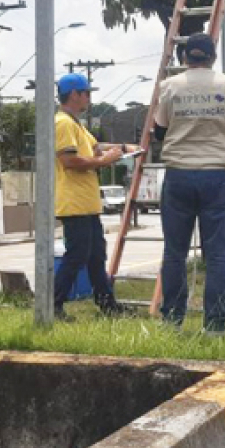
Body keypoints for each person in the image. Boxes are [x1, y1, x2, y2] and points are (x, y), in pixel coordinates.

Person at [154, 33, 225, 335]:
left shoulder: (170, 87)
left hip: (179, 174)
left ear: (184, 58)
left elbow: (160, 132)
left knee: (175, 251)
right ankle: (215, 326)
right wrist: (223, 133)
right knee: (217, 254)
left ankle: (172, 322)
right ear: (213, 58)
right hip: (218, 174)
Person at [53, 72, 139, 321]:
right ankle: (53, 304)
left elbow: (94, 147)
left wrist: (122, 149)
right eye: (86, 93)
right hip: (74, 202)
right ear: (74, 94)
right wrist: (104, 161)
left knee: (96, 255)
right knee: (77, 255)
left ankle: (107, 304)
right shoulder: (64, 123)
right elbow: (70, 160)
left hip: (86, 203)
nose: (89, 98)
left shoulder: (76, 123)